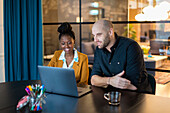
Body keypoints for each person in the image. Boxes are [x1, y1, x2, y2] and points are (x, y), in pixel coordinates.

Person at [91, 20, 152, 93]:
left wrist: (104, 81)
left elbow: (134, 86)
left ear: (110, 32)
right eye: (94, 35)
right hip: (112, 94)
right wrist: (110, 81)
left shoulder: (131, 47)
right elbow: (93, 80)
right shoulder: (99, 50)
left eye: (99, 34)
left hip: (137, 96)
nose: (95, 40)